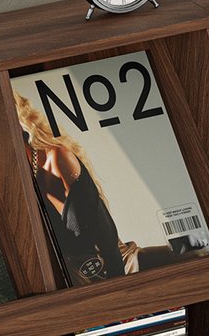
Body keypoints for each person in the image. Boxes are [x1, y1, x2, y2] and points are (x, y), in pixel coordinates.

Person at [14, 92, 129, 284]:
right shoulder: (16, 180)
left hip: (114, 266)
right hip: (75, 275)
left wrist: (119, 289)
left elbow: (106, 237)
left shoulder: (57, 158)